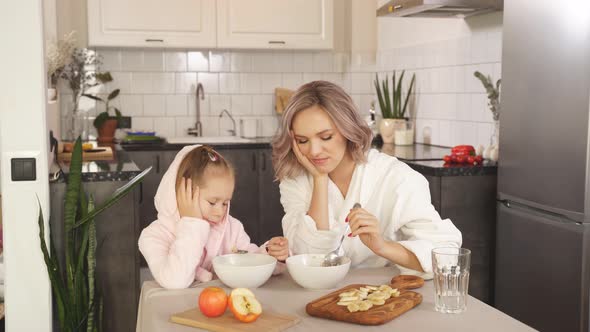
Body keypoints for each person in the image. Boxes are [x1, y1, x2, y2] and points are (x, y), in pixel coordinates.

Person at [271, 81, 461, 275]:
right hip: (319, 295)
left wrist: (381, 246)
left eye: (326, 137)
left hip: (385, 295)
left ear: (347, 130)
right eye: (303, 141)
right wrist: (320, 179)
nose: (314, 151)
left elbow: (445, 257)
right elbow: (309, 260)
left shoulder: (396, 177)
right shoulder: (296, 179)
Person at [139, 145, 289, 289]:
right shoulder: (153, 236)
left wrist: (270, 254)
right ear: (182, 194)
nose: (219, 212)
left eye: (225, 203)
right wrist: (192, 224)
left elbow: (248, 260)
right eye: (212, 202)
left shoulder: (232, 228)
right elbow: (175, 281)